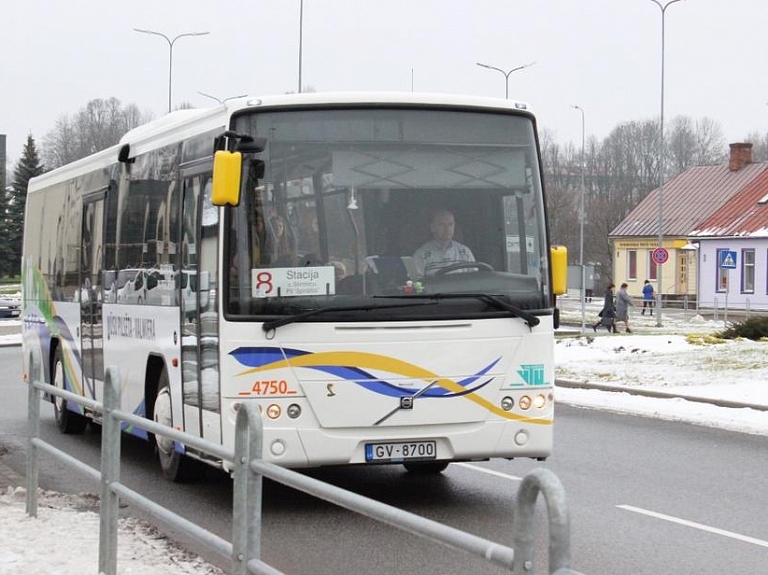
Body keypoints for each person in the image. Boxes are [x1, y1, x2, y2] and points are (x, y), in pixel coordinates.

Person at [412, 209, 475, 277]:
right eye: (442, 225)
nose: (447, 229)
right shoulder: (422, 254)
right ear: (432, 227)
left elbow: (474, 280)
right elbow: (416, 283)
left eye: (450, 224)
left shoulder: (465, 252)